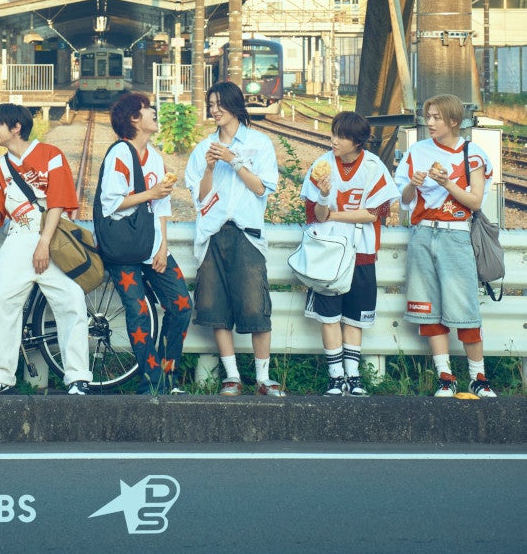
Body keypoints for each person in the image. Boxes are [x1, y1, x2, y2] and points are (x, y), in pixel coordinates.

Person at [0, 102, 91, 395]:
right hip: (18, 237)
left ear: (16, 127)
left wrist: (43, 243)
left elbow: (57, 202)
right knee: (3, 303)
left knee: (70, 303)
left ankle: (78, 376)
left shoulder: (51, 155)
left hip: (53, 238)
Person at [185, 80, 284, 396]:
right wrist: (210, 168)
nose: (214, 110)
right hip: (213, 234)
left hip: (247, 233)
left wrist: (233, 160)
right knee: (215, 307)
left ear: (234, 105)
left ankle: (263, 379)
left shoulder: (259, 143)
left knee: (256, 306)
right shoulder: (203, 147)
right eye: (211, 105)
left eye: (219, 104)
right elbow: (200, 198)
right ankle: (232, 377)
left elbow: (261, 188)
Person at [394, 93, 496, 398]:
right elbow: (404, 199)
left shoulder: (472, 154)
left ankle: (478, 377)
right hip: (422, 233)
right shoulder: (417, 151)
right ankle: (445, 376)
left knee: (465, 306)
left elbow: (475, 201)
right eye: (428, 116)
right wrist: (412, 184)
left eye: (437, 117)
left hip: (456, 235)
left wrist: (446, 183)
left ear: (454, 121)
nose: (430, 122)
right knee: (428, 308)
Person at [96, 92, 192, 394]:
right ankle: (152, 381)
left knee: (181, 305)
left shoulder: (155, 157)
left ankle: (167, 374)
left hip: (152, 245)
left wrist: (162, 247)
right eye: (147, 109)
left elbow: (162, 207)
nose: (153, 112)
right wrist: (150, 193)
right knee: (138, 312)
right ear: (134, 119)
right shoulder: (119, 154)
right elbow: (111, 203)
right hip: (123, 247)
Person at [300, 111, 399, 396]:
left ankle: (353, 376)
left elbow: (375, 213)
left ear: (357, 141)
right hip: (327, 253)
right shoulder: (321, 166)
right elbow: (315, 215)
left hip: (361, 251)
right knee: (329, 316)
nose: (334, 140)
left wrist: (335, 214)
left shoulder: (372, 166)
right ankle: (335, 377)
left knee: (355, 316)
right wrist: (323, 196)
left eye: (341, 136)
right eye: (333, 133)